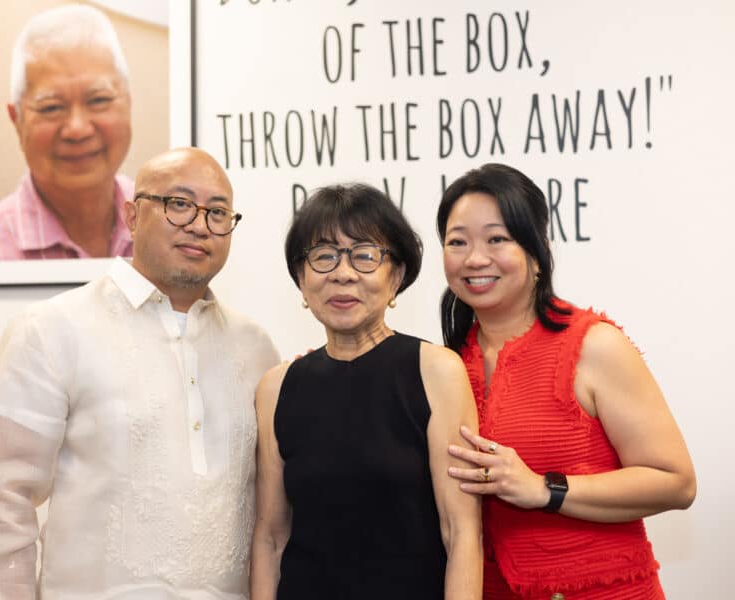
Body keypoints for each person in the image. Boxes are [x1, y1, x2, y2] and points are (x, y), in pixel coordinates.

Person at [0, 147, 280, 599]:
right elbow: (2, 498)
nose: (199, 224)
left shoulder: (256, 347)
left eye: (218, 212)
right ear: (132, 216)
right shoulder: (53, 329)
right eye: (179, 204)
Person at [437, 163, 696, 599]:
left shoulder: (593, 345)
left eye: (497, 239)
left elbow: (676, 481)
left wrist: (544, 489)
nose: (475, 258)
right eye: (457, 241)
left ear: (536, 251)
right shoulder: (443, 362)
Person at [250, 184, 483, 599]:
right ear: (301, 283)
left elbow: (461, 532)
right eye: (323, 256)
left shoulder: (436, 371)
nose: (343, 273)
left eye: (364, 255)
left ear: (395, 277)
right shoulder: (276, 387)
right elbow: (271, 537)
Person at [0, 4, 134, 260]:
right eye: (51, 107)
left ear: (128, 102)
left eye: (98, 100)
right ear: (16, 119)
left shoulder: (170, 228)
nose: (77, 129)